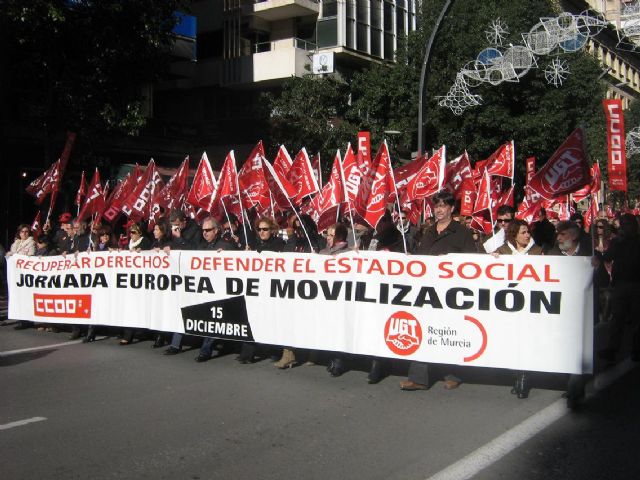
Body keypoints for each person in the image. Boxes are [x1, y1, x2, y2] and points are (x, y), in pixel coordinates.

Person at [400, 190, 476, 392]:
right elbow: (421, 257)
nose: (439, 210)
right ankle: (419, 378)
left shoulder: (462, 233)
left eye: (443, 206)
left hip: (451, 292)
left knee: (447, 333)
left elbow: (473, 262)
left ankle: (453, 374)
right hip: (427, 290)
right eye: (436, 206)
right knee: (423, 330)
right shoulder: (429, 231)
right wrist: (410, 258)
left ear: (451, 209)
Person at [493, 219, 543, 399]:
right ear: (514, 235)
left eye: (528, 232)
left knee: (526, 340)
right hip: (507, 305)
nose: (527, 235)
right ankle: (516, 373)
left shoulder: (538, 252)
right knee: (510, 340)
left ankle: (523, 377)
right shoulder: (503, 252)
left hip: (530, 305)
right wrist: (492, 260)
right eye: (523, 232)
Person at [546, 220, 592, 409]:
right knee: (566, 350)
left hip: (584, 311)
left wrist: (595, 266)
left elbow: (603, 280)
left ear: (573, 236)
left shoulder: (589, 253)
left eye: (562, 234)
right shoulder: (552, 254)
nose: (558, 238)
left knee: (579, 350)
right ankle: (573, 383)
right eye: (557, 234)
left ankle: (575, 391)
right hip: (561, 311)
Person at [275, 215, 323, 369]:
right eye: (295, 226)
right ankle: (288, 355)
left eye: (301, 225)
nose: (298, 229)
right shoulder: (292, 241)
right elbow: (286, 258)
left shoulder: (318, 241)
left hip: (312, 289)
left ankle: (313, 353)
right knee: (289, 320)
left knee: (311, 322)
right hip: (293, 288)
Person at [236, 217, 285, 364]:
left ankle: (275, 352)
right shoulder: (253, 244)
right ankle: (247, 354)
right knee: (251, 319)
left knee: (271, 320)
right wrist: (245, 253)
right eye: (259, 229)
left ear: (272, 230)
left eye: (265, 229)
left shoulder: (279, 244)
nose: (262, 232)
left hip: (271, 288)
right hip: (254, 288)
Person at [194, 217, 240, 362]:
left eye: (208, 230)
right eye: (203, 231)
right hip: (206, 289)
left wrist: (228, 254)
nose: (205, 233)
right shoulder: (202, 246)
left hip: (222, 292)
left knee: (214, 320)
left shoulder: (225, 245)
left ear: (216, 230)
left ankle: (205, 350)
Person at [598, 214, 640, 364]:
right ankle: (612, 349)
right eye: (623, 225)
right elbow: (607, 257)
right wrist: (617, 244)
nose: (626, 228)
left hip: (636, 284)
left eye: (628, 225)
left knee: (636, 319)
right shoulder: (618, 242)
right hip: (620, 284)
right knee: (617, 318)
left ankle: (636, 349)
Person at [321, 223, 352, 376]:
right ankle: (331, 358)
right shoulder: (323, 252)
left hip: (340, 299)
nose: (328, 237)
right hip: (325, 297)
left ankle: (339, 361)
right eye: (327, 234)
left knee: (339, 329)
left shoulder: (349, 254)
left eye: (332, 235)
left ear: (340, 237)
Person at [7, 224, 36, 330]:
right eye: (22, 232)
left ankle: (27, 321)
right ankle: (21, 319)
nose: (24, 233)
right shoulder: (16, 243)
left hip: (25, 273)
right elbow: (12, 254)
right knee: (18, 296)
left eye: (26, 232)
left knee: (26, 297)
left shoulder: (31, 242)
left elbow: (31, 256)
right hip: (17, 274)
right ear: (19, 233)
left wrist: (17, 257)